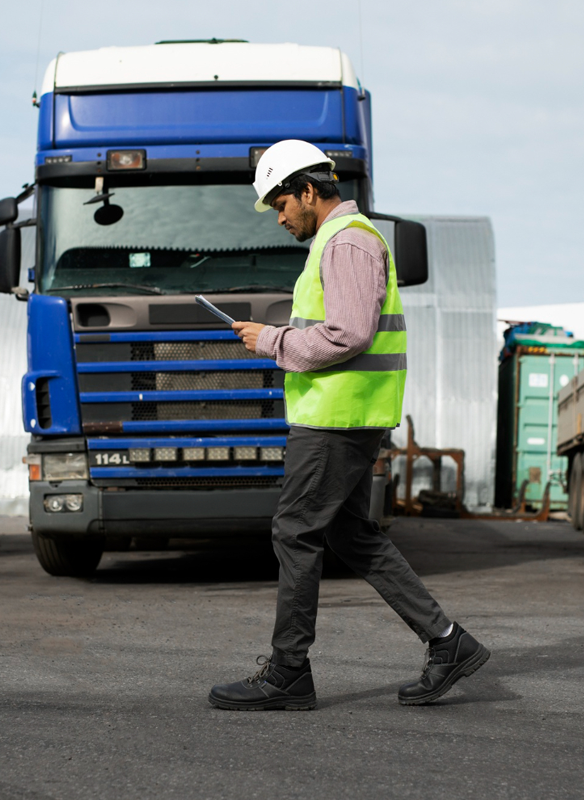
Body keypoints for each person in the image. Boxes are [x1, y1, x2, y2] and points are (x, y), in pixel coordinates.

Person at [207, 140, 489, 710]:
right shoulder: (340, 242)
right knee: (349, 535)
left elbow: (350, 333)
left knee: (294, 532)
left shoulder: (349, 242)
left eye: (281, 203)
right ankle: (447, 641)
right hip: (344, 415)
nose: (279, 216)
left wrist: (272, 340)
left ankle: (288, 672)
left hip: (337, 420)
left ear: (309, 191)